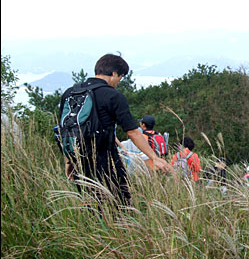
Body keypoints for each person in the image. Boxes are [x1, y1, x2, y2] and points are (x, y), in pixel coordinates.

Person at [59, 54, 171, 213]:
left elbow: (66, 130)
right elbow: (132, 132)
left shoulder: (71, 93)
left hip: (80, 162)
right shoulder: (113, 95)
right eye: (121, 77)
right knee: (122, 206)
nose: (119, 82)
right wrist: (154, 157)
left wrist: (69, 161)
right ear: (114, 73)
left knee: (92, 207)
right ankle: (122, 235)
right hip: (106, 162)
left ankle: (96, 235)